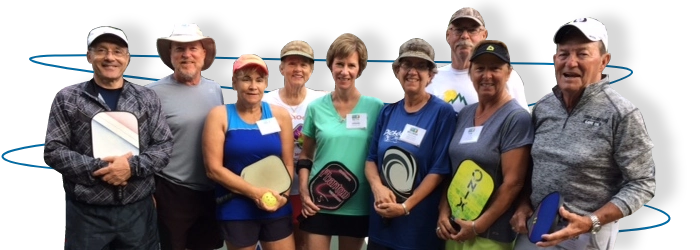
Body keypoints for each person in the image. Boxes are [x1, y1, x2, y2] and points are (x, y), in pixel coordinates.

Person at [511, 17, 656, 250]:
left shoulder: (622, 114)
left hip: (586, 238)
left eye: (582, 54)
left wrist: (591, 221)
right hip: (536, 228)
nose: (571, 62)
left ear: (604, 61)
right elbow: (529, 165)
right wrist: (522, 203)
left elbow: (643, 183)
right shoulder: (543, 106)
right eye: (564, 53)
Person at [45, 26, 173, 250]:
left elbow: (163, 145)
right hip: (86, 212)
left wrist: (131, 168)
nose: (110, 57)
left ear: (127, 58)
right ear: (89, 56)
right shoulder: (68, 98)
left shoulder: (147, 97)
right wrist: (102, 168)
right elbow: (54, 150)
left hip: (137, 211)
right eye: (101, 50)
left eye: (117, 51)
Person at [436, 40, 534, 250]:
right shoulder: (465, 114)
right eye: (480, 68)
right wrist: (443, 212)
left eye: (495, 69)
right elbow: (453, 170)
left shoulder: (516, 119)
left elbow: (513, 183)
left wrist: (477, 226)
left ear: (508, 73)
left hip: (490, 235)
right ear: (470, 73)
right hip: (455, 228)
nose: (486, 76)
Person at [365, 38, 457, 250]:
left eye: (421, 66)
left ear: (431, 75)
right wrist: (378, 188)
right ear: (397, 70)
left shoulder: (442, 113)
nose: (412, 71)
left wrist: (405, 207)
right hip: (381, 225)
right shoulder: (388, 112)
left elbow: (439, 170)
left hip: (417, 229)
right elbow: (371, 160)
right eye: (407, 64)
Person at [296, 33, 384, 250]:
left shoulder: (376, 107)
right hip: (319, 202)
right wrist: (305, 192)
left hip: (358, 204)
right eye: (340, 64)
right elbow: (306, 155)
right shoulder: (315, 107)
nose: (345, 71)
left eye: (351, 65)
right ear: (331, 66)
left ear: (360, 69)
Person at [202, 54, 295, 250]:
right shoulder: (219, 116)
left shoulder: (280, 116)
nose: (253, 86)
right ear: (234, 83)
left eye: (259, 80)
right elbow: (213, 169)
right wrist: (256, 193)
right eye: (246, 79)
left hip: (276, 205)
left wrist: (283, 197)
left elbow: (287, 163)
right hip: (236, 209)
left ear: (265, 84)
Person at [146, 23, 224, 250]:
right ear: (171, 55)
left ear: (203, 54)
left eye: (193, 49)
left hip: (210, 190)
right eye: (179, 49)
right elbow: (141, 145)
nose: (186, 55)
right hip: (171, 191)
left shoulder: (215, 89)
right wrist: (149, 191)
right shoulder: (152, 93)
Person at [262, 40, 327, 250]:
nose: (298, 69)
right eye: (292, 63)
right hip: (276, 186)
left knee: (307, 244)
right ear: (281, 67)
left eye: (304, 64)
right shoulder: (265, 101)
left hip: (311, 188)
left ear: (311, 69)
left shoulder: (323, 100)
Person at [426, 7, 529, 112]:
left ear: (484, 35)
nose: (465, 36)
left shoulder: (506, 77)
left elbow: (523, 120)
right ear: (448, 35)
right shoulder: (431, 78)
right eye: (458, 30)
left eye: (472, 30)